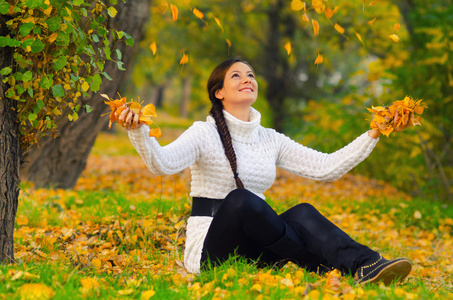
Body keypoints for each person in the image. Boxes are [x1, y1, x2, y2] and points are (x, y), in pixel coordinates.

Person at [117, 57, 412, 285]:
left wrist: (374, 132)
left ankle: (367, 264)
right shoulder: (203, 134)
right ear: (218, 92)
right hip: (211, 252)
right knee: (242, 200)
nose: (247, 79)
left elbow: (327, 168)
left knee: (303, 212)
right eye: (236, 75)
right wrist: (139, 132)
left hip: (259, 249)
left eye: (251, 75)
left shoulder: (270, 138)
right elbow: (162, 164)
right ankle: (320, 264)